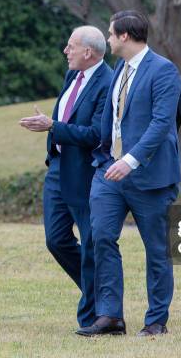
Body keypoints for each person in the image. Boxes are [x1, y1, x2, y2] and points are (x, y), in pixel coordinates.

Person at [76, 10, 181, 337]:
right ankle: (110, 317)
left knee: (157, 249)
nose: (106, 39)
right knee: (101, 237)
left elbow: (161, 123)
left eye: (110, 34)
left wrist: (131, 160)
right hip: (110, 171)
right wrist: (107, 158)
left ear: (124, 36)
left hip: (149, 176)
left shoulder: (164, 71)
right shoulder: (119, 68)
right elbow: (112, 118)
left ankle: (156, 321)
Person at [19, 26, 112, 330]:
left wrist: (53, 127)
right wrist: (51, 128)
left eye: (71, 46)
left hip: (85, 173)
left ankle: (97, 312)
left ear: (88, 52)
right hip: (58, 168)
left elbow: (97, 134)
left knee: (90, 243)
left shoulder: (106, 82)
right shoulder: (73, 75)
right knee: (56, 239)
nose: (65, 51)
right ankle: (94, 293)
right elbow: (67, 118)